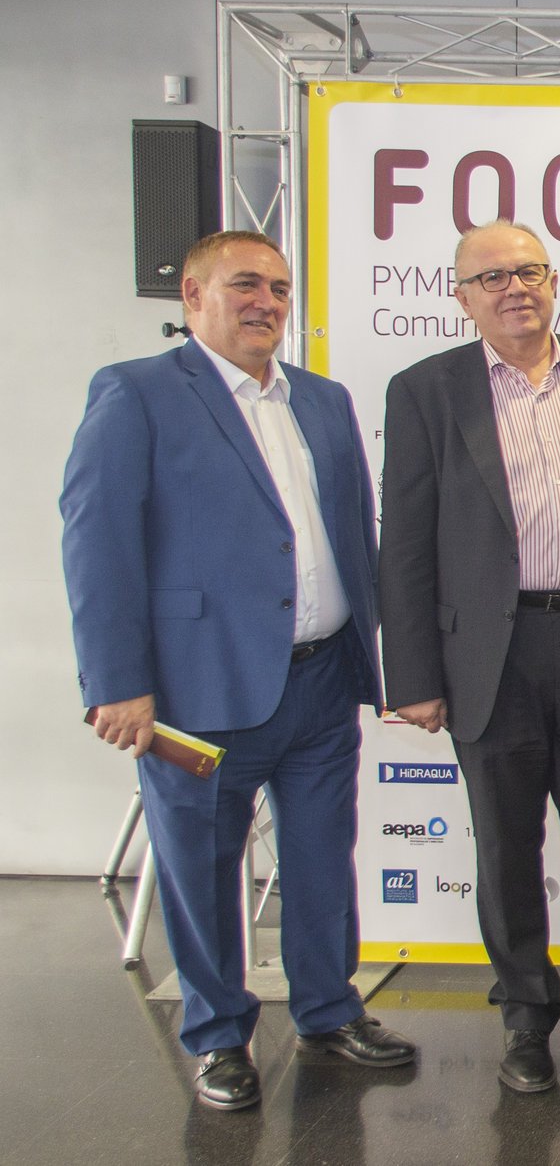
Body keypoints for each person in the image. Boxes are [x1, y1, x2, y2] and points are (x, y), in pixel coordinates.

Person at [61, 230, 416, 1112]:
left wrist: (387, 656)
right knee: (202, 868)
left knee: (322, 860)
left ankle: (328, 1009)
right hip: (198, 690)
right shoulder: (137, 393)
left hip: (321, 681)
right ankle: (219, 1035)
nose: (267, 302)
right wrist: (115, 682)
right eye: (245, 284)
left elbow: (353, 534)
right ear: (193, 294)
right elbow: (97, 543)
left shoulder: (322, 400)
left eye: (280, 288)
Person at [379, 219, 560, 1094]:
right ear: (461, 296)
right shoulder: (425, 390)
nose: (516, 289)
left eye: (530, 271)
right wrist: (414, 675)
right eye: (493, 277)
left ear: (554, 280)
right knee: (507, 844)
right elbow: (406, 542)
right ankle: (526, 1014)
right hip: (490, 653)